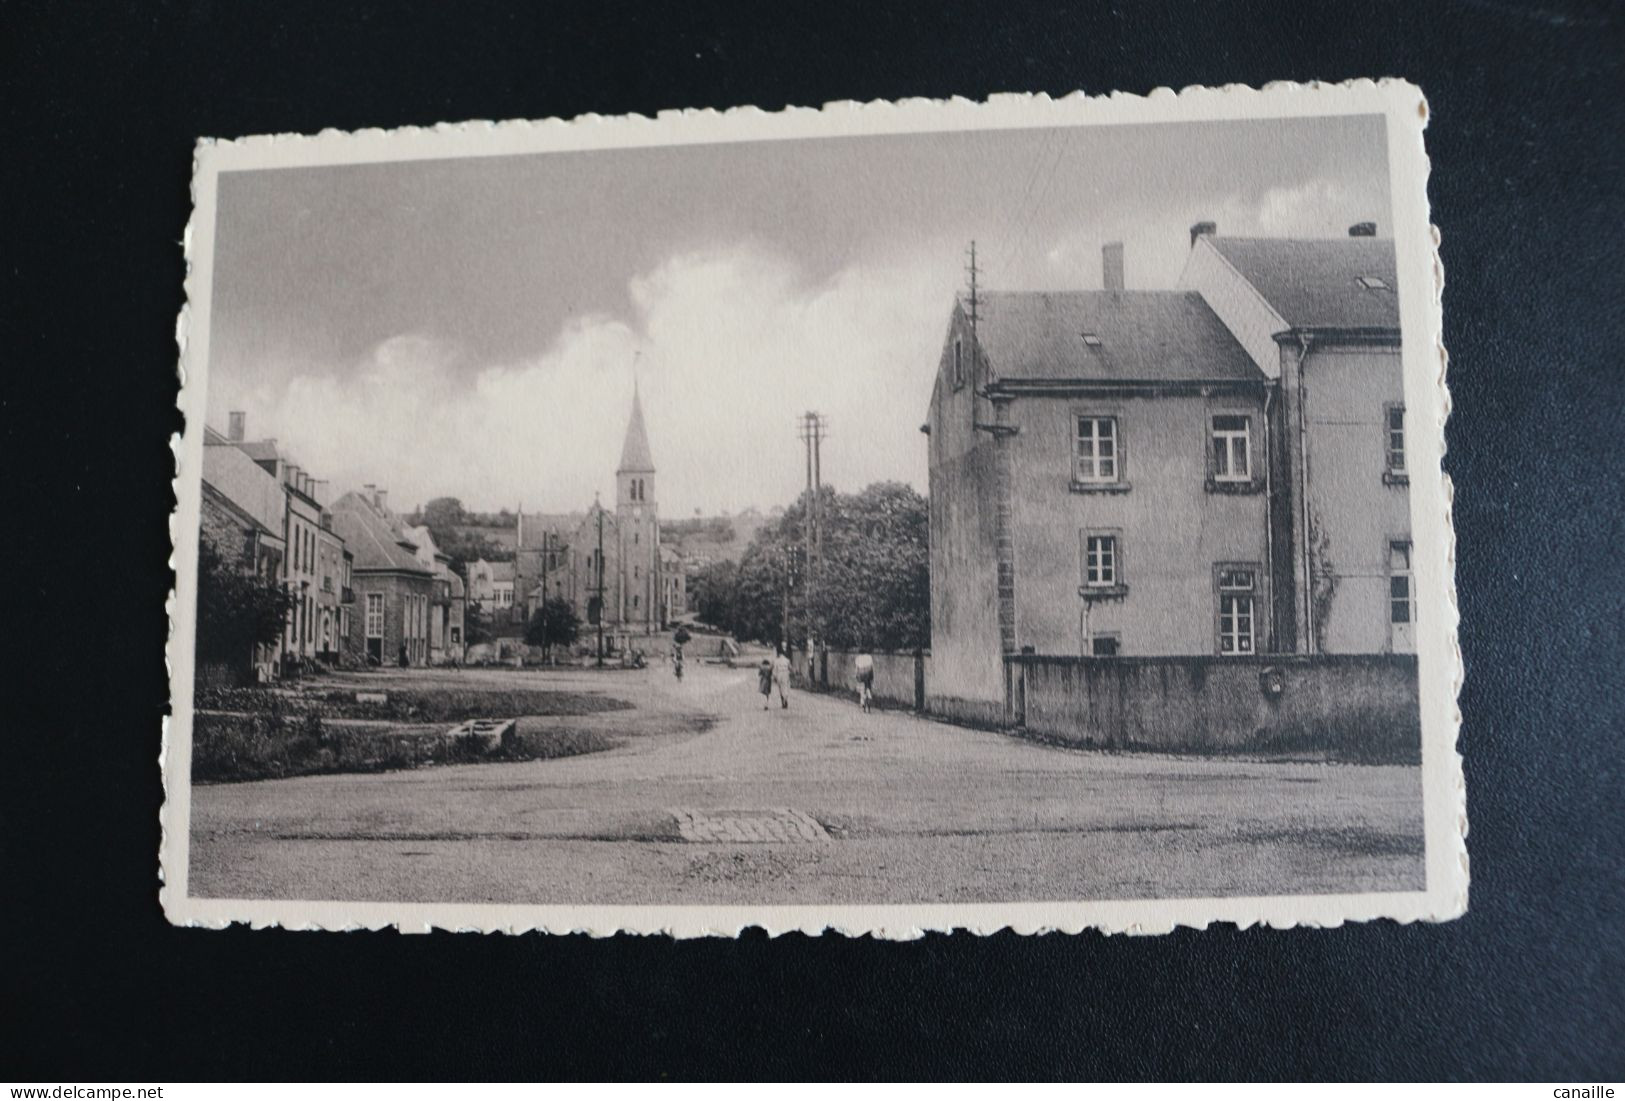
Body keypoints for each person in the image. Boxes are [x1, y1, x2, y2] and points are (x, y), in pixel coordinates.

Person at [854, 648, 875, 713]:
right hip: (868, 673)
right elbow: (872, 667)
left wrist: (856, 676)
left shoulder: (857, 658)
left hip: (861, 674)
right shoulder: (869, 657)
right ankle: (869, 696)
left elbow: (856, 669)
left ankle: (862, 702)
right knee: (868, 686)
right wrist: (872, 677)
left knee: (862, 688)